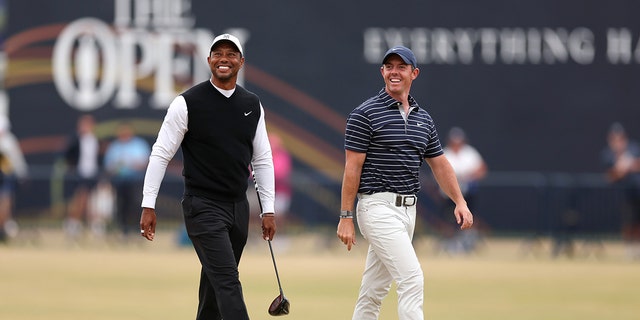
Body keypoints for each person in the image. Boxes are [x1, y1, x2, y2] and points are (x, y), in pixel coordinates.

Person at [139, 33, 277, 320]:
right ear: (208, 60)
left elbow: (262, 159)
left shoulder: (252, 104)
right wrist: (148, 204)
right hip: (202, 206)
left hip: (238, 207)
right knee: (228, 280)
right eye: (218, 53)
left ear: (241, 62)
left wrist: (269, 210)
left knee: (215, 287)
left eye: (230, 54)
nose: (223, 59)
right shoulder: (187, 103)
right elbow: (160, 153)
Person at [336, 46, 474, 320]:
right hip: (376, 208)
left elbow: (440, 164)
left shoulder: (423, 118)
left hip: (407, 212)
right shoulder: (365, 114)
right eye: (389, 67)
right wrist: (346, 216)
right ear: (382, 71)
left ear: (414, 73)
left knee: (373, 291)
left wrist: (460, 200)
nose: (394, 72)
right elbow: (352, 168)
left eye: (401, 67)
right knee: (412, 279)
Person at [438, 126, 487, 254]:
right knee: (449, 218)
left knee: (469, 216)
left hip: (468, 193)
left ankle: (467, 242)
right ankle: (451, 243)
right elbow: (439, 170)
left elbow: (481, 169)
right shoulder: (445, 153)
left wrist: (469, 176)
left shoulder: (469, 153)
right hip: (449, 194)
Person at [104, 121, 150, 238]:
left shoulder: (139, 145)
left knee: (136, 204)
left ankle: (137, 229)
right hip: (119, 181)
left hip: (135, 181)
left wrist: (130, 164)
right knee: (120, 205)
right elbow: (109, 165)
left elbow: (144, 162)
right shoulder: (114, 147)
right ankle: (123, 229)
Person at [601, 122, 640, 259]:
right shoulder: (608, 154)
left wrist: (631, 164)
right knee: (628, 221)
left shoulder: (634, 148)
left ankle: (637, 248)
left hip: (638, 191)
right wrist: (620, 170)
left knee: (637, 221)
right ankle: (629, 249)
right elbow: (609, 176)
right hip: (624, 194)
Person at [61, 114, 101, 240]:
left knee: (89, 201)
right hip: (79, 175)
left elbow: (97, 158)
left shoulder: (95, 140)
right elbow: (68, 155)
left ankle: (85, 226)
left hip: (92, 174)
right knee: (80, 199)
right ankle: (74, 224)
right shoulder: (75, 139)